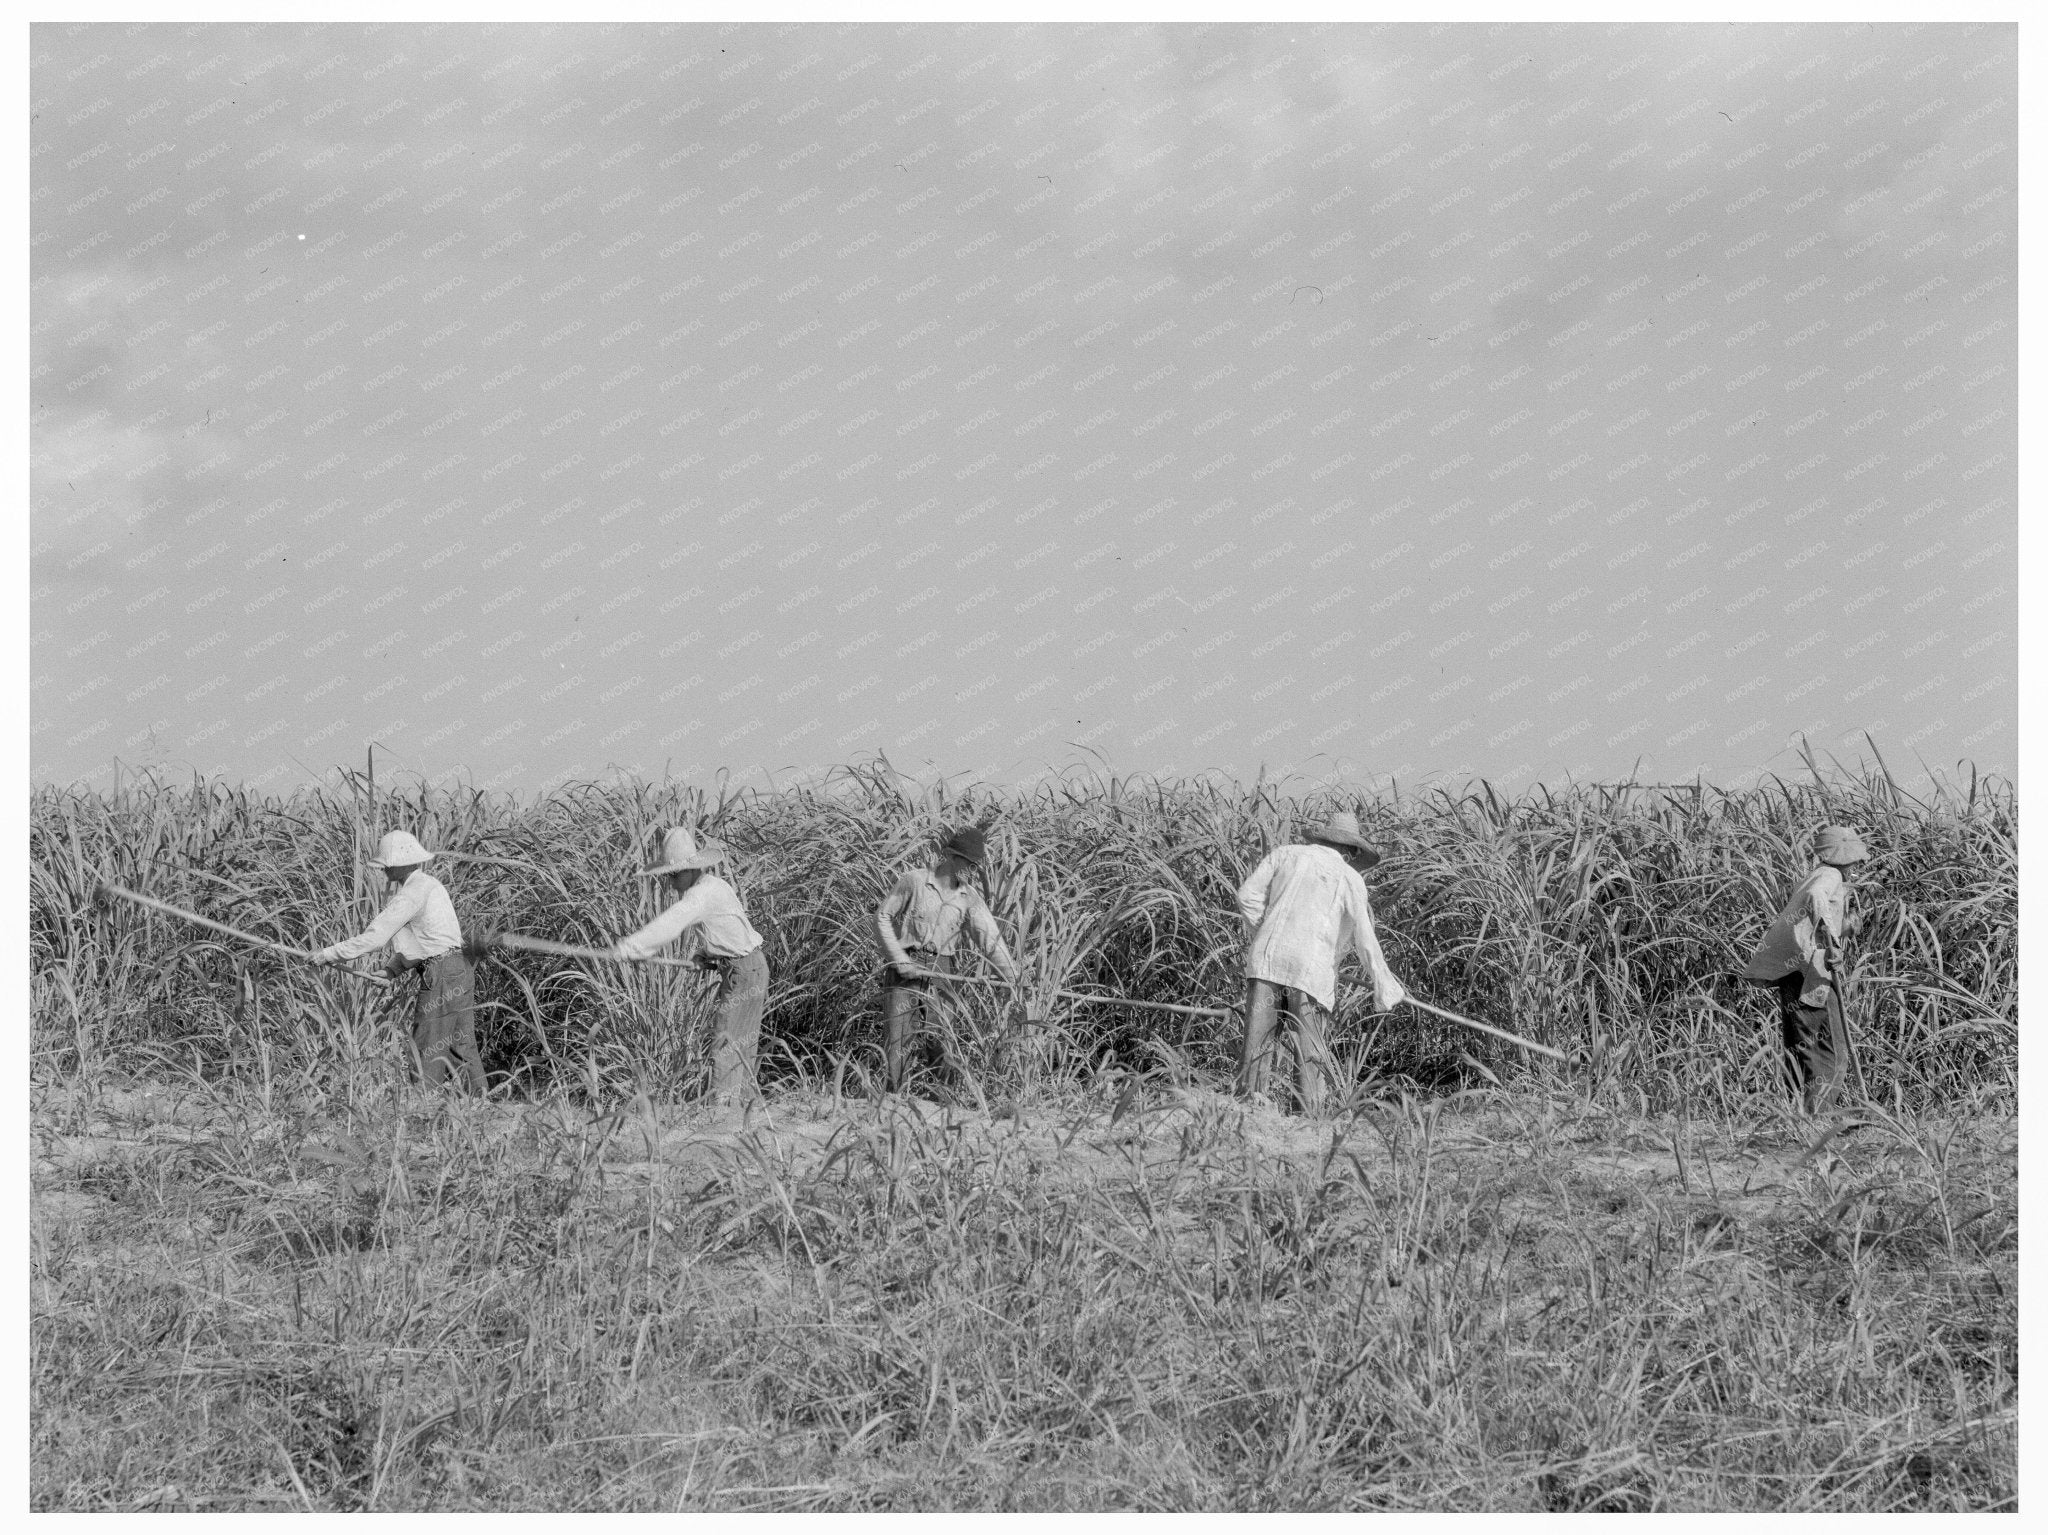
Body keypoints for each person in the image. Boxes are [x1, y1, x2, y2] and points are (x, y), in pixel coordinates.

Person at [1235, 810, 1407, 1116]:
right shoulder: (1349, 877)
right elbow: (1365, 939)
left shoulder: (1285, 854)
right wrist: (1385, 986)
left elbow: (1247, 895)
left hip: (1266, 961)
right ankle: (1307, 1116)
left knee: (1258, 1041)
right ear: (1351, 851)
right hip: (1310, 971)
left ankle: (1250, 1110)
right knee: (1309, 1046)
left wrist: (1264, 932)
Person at [313, 829, 486, 1094]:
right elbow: (422, 940)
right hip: (459, 968)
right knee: (461, 1044)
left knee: (427, 1042)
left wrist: (326, 954)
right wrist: (391, 971)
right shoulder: (431, 885)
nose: (383, 870)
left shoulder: (410, 894)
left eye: (387, 864)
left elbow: (374, 939)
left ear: (399, 863)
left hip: (441, 972)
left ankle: (421, 1108)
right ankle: (480, 1103)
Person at [611, 826, 770, 1105]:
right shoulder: (712, 887)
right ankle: (744, 1113)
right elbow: (730, 931)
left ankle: (724, 1117)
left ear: (692, 870)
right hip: (748, 966)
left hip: (744, 971)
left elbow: (670, 923)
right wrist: (705, 955)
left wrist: (631, 947)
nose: (670, 882)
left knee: (726, 1044)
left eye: (674, 875)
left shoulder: (700, 895)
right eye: (668, 876)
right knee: (740, 1046)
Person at [874, 825, 1021, 1092]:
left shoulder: (970, 898)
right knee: (898, 1040)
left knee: (942, 1039)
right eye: (969, 863)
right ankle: (892, 1102)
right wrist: (898, 958)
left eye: (976, 866)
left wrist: (1013, 979)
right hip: (906, 966)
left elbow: (991, 941)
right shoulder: (915, 881)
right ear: (951, 856)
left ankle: (945, 1103)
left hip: (942, 970)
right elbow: (882, 916)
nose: (973, 870)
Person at [1742, 824, 1868, 1114]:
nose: (1858, 864)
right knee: (1831, 1055)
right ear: (1847, 857)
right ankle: (1817, 1122)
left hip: (1794, 973)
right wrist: (1833, 941)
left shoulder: (1818, 874)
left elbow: (1816, 908)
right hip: (1810, 975)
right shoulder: (1830, 875)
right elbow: (1816, 898)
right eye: (1855, 858)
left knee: (1801, 1052)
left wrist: (1843, 927)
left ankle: (1798, 1118)